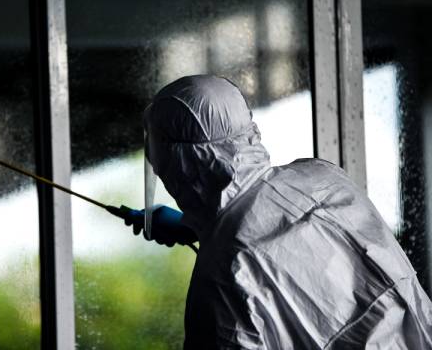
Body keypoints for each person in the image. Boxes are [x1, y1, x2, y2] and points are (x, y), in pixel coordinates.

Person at [124, 75, 432, 349]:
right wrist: (195, 227)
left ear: (183, 165)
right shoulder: (323, 177)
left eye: (161, 167)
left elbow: (248, 247)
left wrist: (210, 234)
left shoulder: (218, 278)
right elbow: (283, 234)